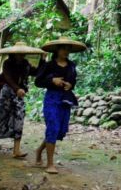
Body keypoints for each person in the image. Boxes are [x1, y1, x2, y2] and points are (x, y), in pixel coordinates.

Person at [0, 42, 45, 158]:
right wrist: (16, 89)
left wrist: (42, 59)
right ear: (13, 54)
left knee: (19, 119)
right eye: (18, 53)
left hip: (19, 95)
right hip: (4, 94)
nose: (21, 55)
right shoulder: (7, 63)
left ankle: (16, 150)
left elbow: (37, 72)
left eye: (22, 53)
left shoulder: (25, 64)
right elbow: (8, 78)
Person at [33, 37, 86, 174]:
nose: (66, 51)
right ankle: (50, 164)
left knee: (59, 131)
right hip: (51, 98)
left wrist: (70, 84)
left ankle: (39, 150)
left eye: (68, 48)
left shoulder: (72, 65)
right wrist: (52, 80)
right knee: (53, 127)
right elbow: (38, 81)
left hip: (65, 101)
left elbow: (73, 81)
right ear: (57, 50)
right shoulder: (49, 65)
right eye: (63, 48)